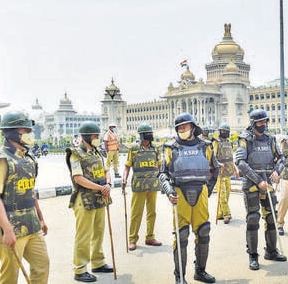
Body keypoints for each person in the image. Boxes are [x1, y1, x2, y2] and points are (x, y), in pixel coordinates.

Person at [159, 113, 219, 284]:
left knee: (204, 231)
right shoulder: (171, 148)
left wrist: (208, 189)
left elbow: (215, 169)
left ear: (193, 127)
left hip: (201, 193)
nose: (181, 129)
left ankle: (200, 271)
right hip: (180, 194)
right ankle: (180, 276)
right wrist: (169, 191)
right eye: (179, 127)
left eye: (184, 126)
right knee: (181, 235)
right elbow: (162, 173)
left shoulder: (205, 146)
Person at [0, 111, 50, 283]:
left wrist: (41, 218)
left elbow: (30, 192)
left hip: (31, 224)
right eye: (24, 132)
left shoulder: (27, 159)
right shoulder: (1, 159)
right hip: (9, 227)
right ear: (12, 133)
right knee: (10, 275)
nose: (28, 135)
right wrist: (8, 230)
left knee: (42, 265)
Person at [235, 109, 286, 270]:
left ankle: (271, 251)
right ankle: (253, 256)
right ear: (253, 123)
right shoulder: (245, 139)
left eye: (265, 121)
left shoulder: (270, 139)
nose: (263, 124)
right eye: (260, 122)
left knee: (271, 217)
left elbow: (281, 158)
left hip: (268, 182)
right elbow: (241, 163)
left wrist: (278, 171)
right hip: (251, 183)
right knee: (253, 218)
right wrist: (258, 181)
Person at [66, 121, 114, 282]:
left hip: (100, 197)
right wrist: (100, 188)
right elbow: (78, 178)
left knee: (98, 232)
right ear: (86, 136)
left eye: (97, 136)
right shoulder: (75, 154)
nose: (97, 138)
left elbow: (106, 170)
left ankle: (98, 262)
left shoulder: (97, 152)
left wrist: (107, 184)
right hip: (84, 198)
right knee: (84, 235)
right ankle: (80, 269)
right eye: (94, 136)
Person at [122, 123, 162, 251]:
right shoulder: (133, 149)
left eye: (151, 133)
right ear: (142, 135)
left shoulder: (155, 149)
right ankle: (132, 239)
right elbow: (127, 166)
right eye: (148, 133)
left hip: (152, 185)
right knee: (136, 213)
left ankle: (150, 237)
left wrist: (160, 177)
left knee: (152, 212)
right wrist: (124, 179)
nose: (150, 135)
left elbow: (159, 166)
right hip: (139, 185)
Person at [212, 123, 239, 224]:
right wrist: (219, 165)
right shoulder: (216, 142)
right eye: (222, 131)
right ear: (219, 131)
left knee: (226, 194)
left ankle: (220, 213)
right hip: (220, 173)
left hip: (228, 172)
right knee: (222, 194)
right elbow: (213, 157)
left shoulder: (229, 142)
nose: (224, 132)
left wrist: (235, 170)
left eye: (226, 131)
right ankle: (227, 214)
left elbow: (231, 159)